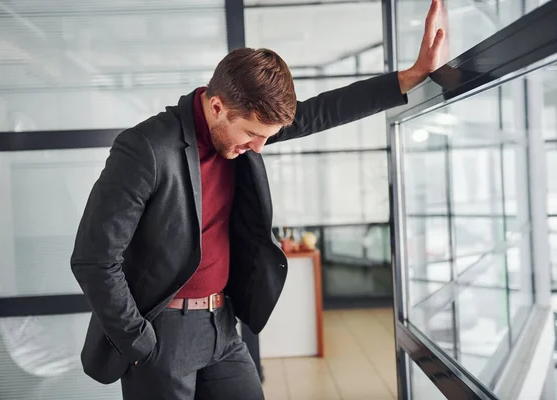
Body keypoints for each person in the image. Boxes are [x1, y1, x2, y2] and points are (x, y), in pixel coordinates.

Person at [70, 0, 445, 398]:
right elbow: (94, 259)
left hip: (222, 326)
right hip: (162, 335)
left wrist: (410, 77)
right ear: (217, 107)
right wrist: (141, 341)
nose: (259, 147)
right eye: (253, 135)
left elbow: (322, 111)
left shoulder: (244, 128)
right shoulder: (146, 148)